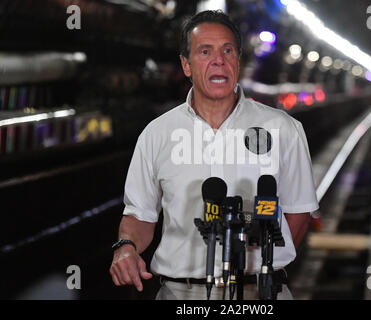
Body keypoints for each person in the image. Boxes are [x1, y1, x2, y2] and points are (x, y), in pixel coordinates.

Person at [109, 10, 319, 300]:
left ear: (238, 60)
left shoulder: (283, 129)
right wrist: (126, 247)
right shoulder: (157, 134)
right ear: (186, 65)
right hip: (180, 295)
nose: (218, 60)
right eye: (205, 51)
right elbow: (140, 215)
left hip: (260, 295)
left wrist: (260, 270)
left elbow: (299, 211)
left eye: (227, 51)